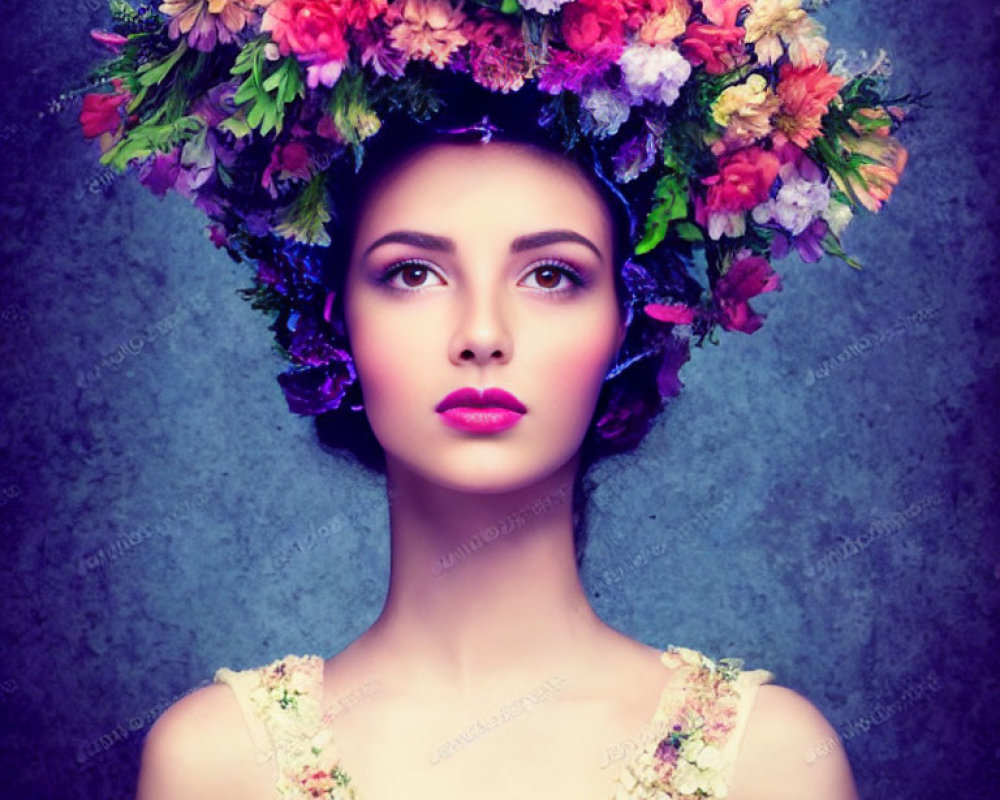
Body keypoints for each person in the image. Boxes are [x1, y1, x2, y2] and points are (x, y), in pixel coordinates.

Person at [73, 1, 910, 798]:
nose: (481, 334)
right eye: (412, 273)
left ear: (628, 323)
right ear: (333, 321)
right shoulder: (221, 765)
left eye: (551, 276)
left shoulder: (767, 765)